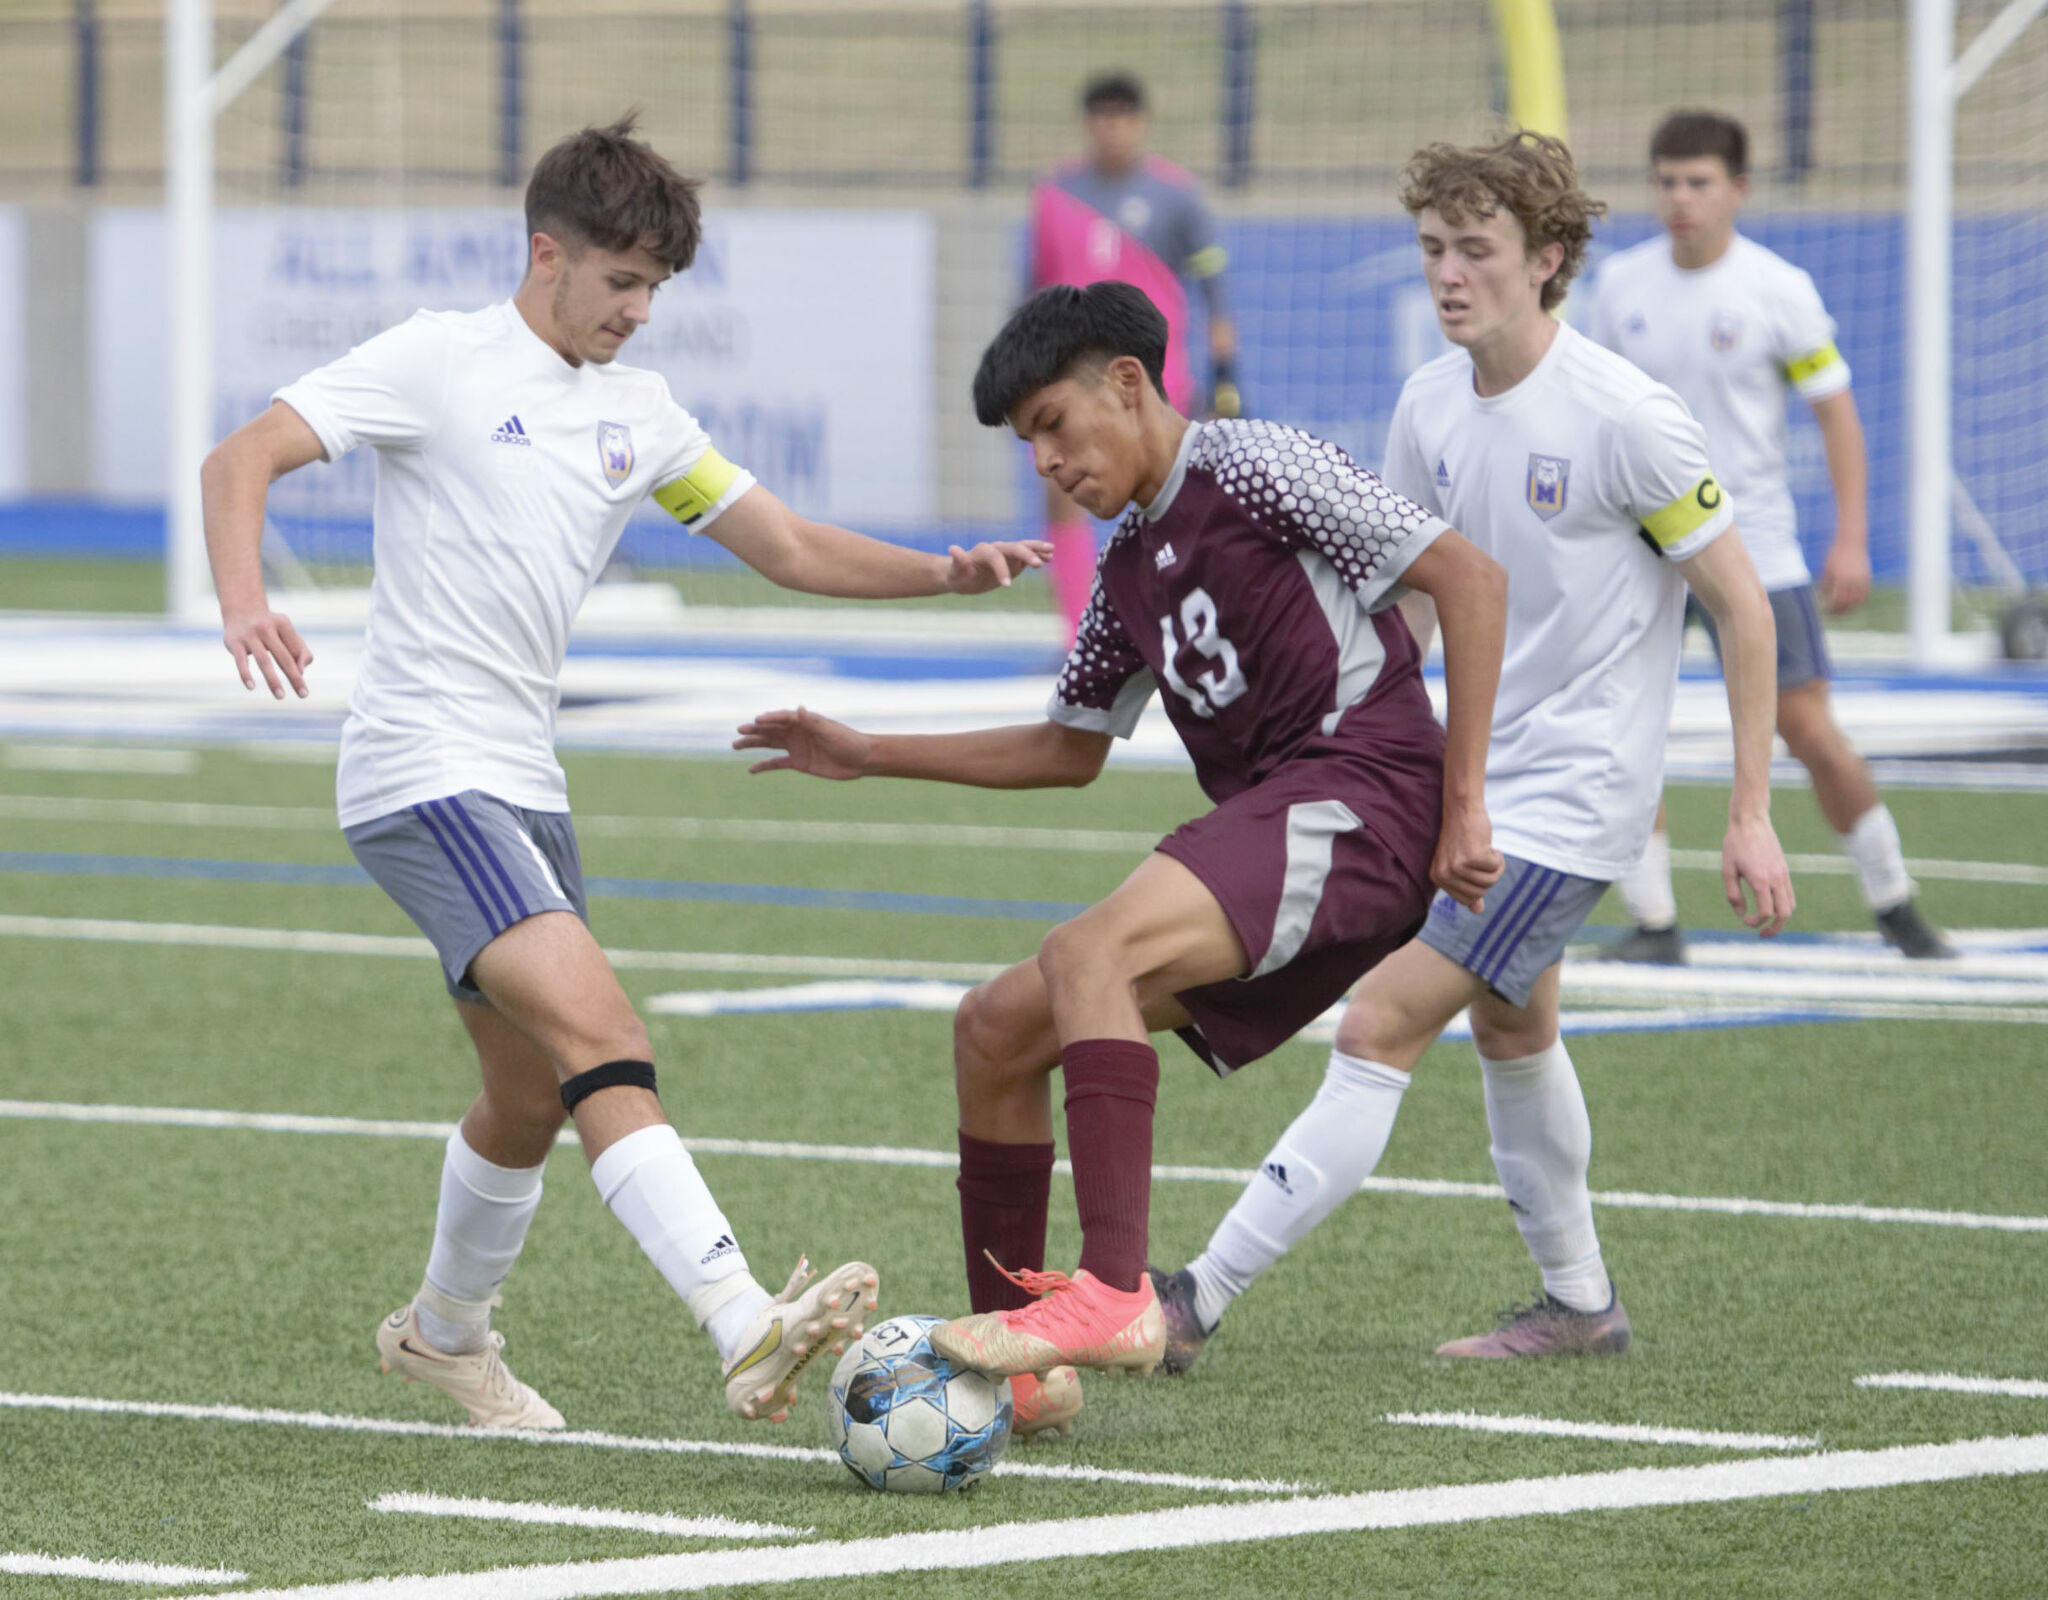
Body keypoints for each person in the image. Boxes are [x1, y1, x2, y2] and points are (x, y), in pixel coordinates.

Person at [200, 115, 1049, 1431]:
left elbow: (791, 548)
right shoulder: (438, 358)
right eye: (623, 282)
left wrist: (945, 571)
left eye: (657, 288)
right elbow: (240, 456)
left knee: (530, 1092)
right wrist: (248, 602)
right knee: (608, 1036)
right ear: (548, 255)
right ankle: (741, 1316)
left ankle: (444, 1337)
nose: (643, 312)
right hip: (423, 770)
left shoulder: (640, 414)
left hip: (522, 783)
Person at [735, 280, 1507, 1437]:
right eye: (1026, 442)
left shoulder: (1252, 465)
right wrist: (870, 751)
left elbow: (1470, 578)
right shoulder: (1127, 564)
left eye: (1053, 423)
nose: (1044, 460)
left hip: (1368, 795)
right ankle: (1028, 1372)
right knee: (994, 1025)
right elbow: (1067, 749)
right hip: (1291, 826)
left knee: (1084, 948)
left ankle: (1111, 1292)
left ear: (1128, 384)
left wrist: (1464, 806)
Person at [1150, 132, 1795, 1373]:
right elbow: (1400, 596)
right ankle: (1580, 1305)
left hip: (1577, 797)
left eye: (1476, 251)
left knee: (1376, 1023)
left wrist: (1749, 809)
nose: (1449, 275)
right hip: (1477, 776)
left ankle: (1192, 1300)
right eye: (1433, 250)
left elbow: (1741, 604)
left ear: (1547, 259)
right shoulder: (1425, 403)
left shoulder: (1623, 418)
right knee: (1512, 1025)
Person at [1588, 109, 1952, 963]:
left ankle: (1895, 903)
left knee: (1809, 731)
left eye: (1699, 181)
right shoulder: (1619, 287)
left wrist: (1852, 538)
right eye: (1667, 181)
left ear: (1738, 190)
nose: (1681, 198)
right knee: (1625, 730)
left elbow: (1838, 416)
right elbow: (1592, 411)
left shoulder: (1777, 288)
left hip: (1756, 547)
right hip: (1639, 552)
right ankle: (1654, 922)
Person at [1029, 71, 1238, 641]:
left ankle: (1186, 628)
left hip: (1155, 381)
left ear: (1140, 123)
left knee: (1171, 502)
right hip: (1070, 379)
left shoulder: (1178, 195)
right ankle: (1077, 634)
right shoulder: (1053, 195)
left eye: (1122, 116)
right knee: (1062, 491)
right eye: (1100, 117)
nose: (1111, 129)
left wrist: (1226, 382)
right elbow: (1035, 290)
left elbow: (1215, 291)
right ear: (1087, 124)